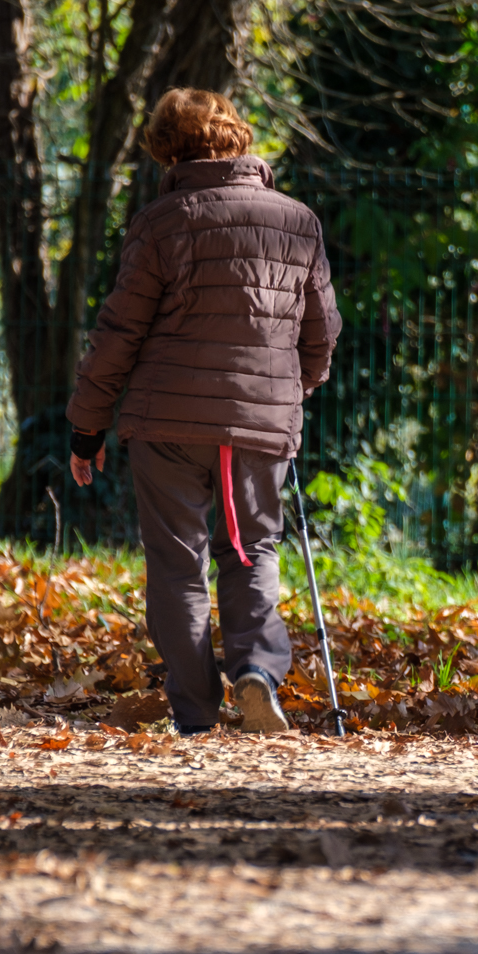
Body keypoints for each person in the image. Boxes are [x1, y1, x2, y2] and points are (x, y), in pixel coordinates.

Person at [66, 88, 341, 734]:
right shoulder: (298, 222)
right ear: (238, 138)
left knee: (175, 561)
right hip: (260, 421)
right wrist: (289, 390)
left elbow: (118, 333)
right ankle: (256, 670)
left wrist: (87, 425)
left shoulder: (161, 223)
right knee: (251, 548)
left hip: (167, 423)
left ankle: (195, 712)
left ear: (168, 150)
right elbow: (322, 333)